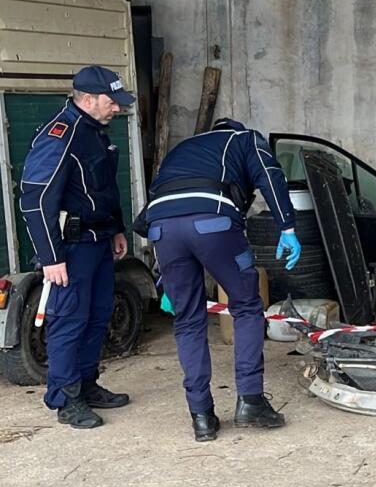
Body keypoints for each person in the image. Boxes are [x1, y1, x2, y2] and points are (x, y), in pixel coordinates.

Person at [145, 118, 300, 441]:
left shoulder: (183, 148)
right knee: (245, 306)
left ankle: (201, 416)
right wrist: (287, 227)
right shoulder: (243, 139)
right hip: (212, 222)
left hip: (161, 229)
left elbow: (159, 202)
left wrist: (164, 280)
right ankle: (251, 402)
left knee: (187, 319)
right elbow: (269, 175)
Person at [20, 65, 136, 429]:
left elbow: (103, 189)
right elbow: (35, 200)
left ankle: (86, 384)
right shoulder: (61, 135)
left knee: (98, 314)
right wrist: (50, 256)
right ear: (88, 99)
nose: (116, 108)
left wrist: (116, 229)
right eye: (111, 102)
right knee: (69, 321)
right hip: (71, 248)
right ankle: (64, 398)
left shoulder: (95, 132)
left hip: (99, 241)